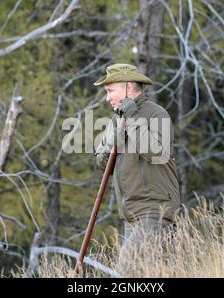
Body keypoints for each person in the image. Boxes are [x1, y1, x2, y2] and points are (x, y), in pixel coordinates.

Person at [94, 63, 182, 274]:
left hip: (155, 210)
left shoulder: (156, 114)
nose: (107, 98)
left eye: (110, 91)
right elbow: (102, 163)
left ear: (129, 86)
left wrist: (132, 120)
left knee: (126, 272)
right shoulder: (117, 119)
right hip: (131, 215)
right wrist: (113, 140)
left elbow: (156, 152)